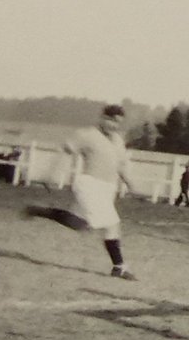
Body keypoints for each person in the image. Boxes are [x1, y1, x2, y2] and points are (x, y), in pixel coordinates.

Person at [24, 104, 139, 280]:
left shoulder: (117, 140)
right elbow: (65, 151)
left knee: (79, 224)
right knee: (112, 224)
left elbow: (121, 165)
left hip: (107, 188)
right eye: (111, 120)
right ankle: (119, 267)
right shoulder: (87, 135)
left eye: (117, 123)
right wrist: (51, 173)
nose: (113, 125)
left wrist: (131, 185)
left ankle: (39, 210)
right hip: (89, 184)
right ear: (102, 118)